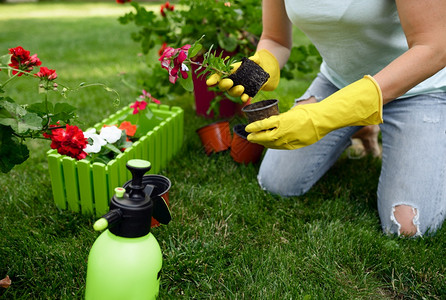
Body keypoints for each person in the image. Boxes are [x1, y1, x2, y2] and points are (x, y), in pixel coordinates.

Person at [207, 0, 446, 237]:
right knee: (277, 183)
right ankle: (362, 125)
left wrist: (322, 116)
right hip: (339, 83)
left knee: (406, 228)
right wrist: (263, 65)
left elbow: (435, 47)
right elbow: (275, 39)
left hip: (420, 89)